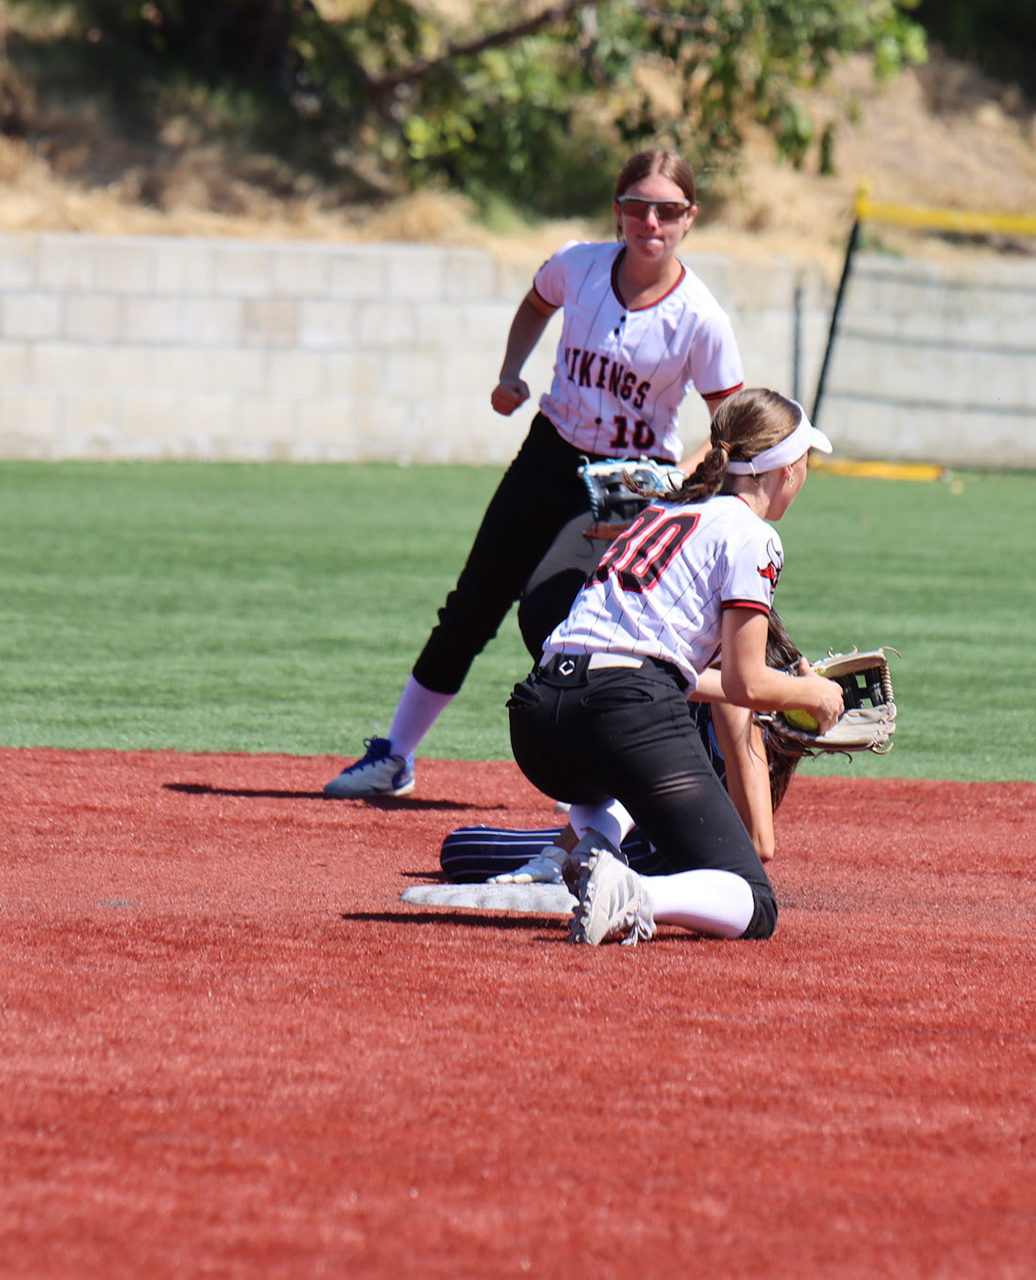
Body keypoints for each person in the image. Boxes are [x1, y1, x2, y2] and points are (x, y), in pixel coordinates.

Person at [324, 148, 744, 800]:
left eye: (667, 210)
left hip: (630, 485)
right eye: (637, 206)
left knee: (563, 617)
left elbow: (730, 424)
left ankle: (633, 778)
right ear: (618, 209)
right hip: (550, 453)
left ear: (690, 216)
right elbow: (535, 303)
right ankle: (395, 756)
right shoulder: (578, 265)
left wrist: (676, 481)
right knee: (472, 604)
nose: (650, 222)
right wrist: (509, 372)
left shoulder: (700, 317)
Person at [507, 388, 844, 945]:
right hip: (618, 713)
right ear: (786, 469)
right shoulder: (754, 534)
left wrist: (784, 688)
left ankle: (589, 847)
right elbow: (744, 681)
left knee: (616, 756)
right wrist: (815, 695)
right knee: (755, 903)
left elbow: (679, 672)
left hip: (538, 720)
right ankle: (635, 893)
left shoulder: (662, 511)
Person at [439, 612, 807, 884]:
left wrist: (558, 856)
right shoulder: (742, 687)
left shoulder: (732, 701)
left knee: (464, 849)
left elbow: (759, 845)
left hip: (652, 854)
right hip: (666, 840)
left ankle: (590, 870)